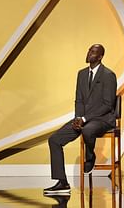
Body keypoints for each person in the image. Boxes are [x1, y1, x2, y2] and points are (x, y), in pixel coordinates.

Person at [44, 44, 117, 195]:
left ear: (100, 56)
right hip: (83, 118)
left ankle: (90, 157)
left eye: (93, 52)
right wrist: (78, 118)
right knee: (54, 140)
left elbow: (108, 104)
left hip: (102, 119)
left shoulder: (108, 75)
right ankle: (62, 182)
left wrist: (85, 118)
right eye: (89, 50)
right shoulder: (81, 74)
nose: (89, 53)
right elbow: (79, 99)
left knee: (88, 130)